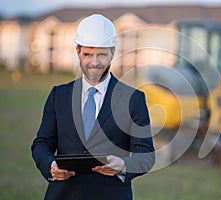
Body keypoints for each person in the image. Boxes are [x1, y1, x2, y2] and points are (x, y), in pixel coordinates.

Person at [31, 14, 155, 200]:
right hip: (63, 195)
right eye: (88, 54)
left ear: (113, 52)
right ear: (78, 51)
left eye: (102, 55)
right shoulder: (59, 95)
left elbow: (146, 156)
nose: (95, 62)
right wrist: (50, 166)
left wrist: (123, 165)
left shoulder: (134, 99)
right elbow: (42, 144)